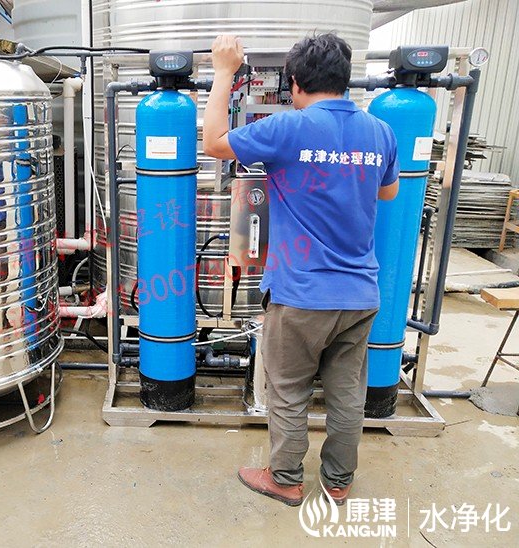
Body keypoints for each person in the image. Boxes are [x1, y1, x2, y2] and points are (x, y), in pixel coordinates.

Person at [203, 33, 400, 507]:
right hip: (360, 294)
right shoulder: (381, 132)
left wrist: (224, 72)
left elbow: (213, 142)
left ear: (294, 83)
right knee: (347, 394)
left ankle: (286, 478)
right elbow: (388, 192)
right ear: (345, 79)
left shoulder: (288, 127)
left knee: (288, 390)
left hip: (300, 293)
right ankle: (338, 481)